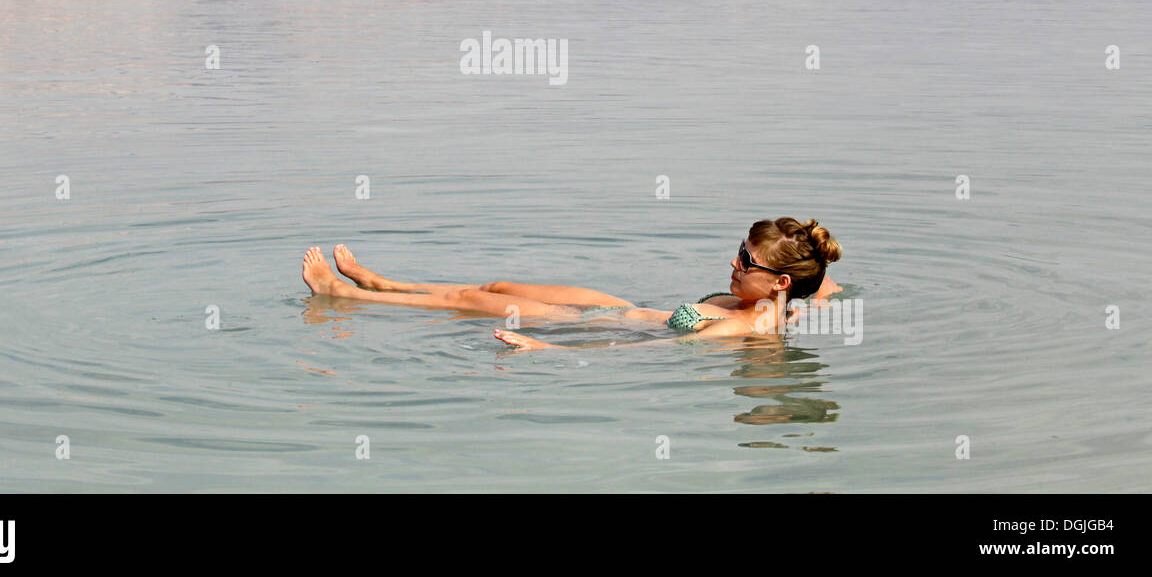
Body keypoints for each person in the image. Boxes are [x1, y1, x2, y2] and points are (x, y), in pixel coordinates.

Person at [298, 217, 842, 348]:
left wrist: (544, 349)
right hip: (617, 305)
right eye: (738, 254)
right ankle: (384, 283)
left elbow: (631, 358)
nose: (734, 267)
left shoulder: (740, 330)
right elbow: (815, 291)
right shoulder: (782, 304)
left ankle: (343, 294)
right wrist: (820, 293)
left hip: (591, 326)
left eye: (746, 264)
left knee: (471, 300)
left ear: (776, 282)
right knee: (500, 282)